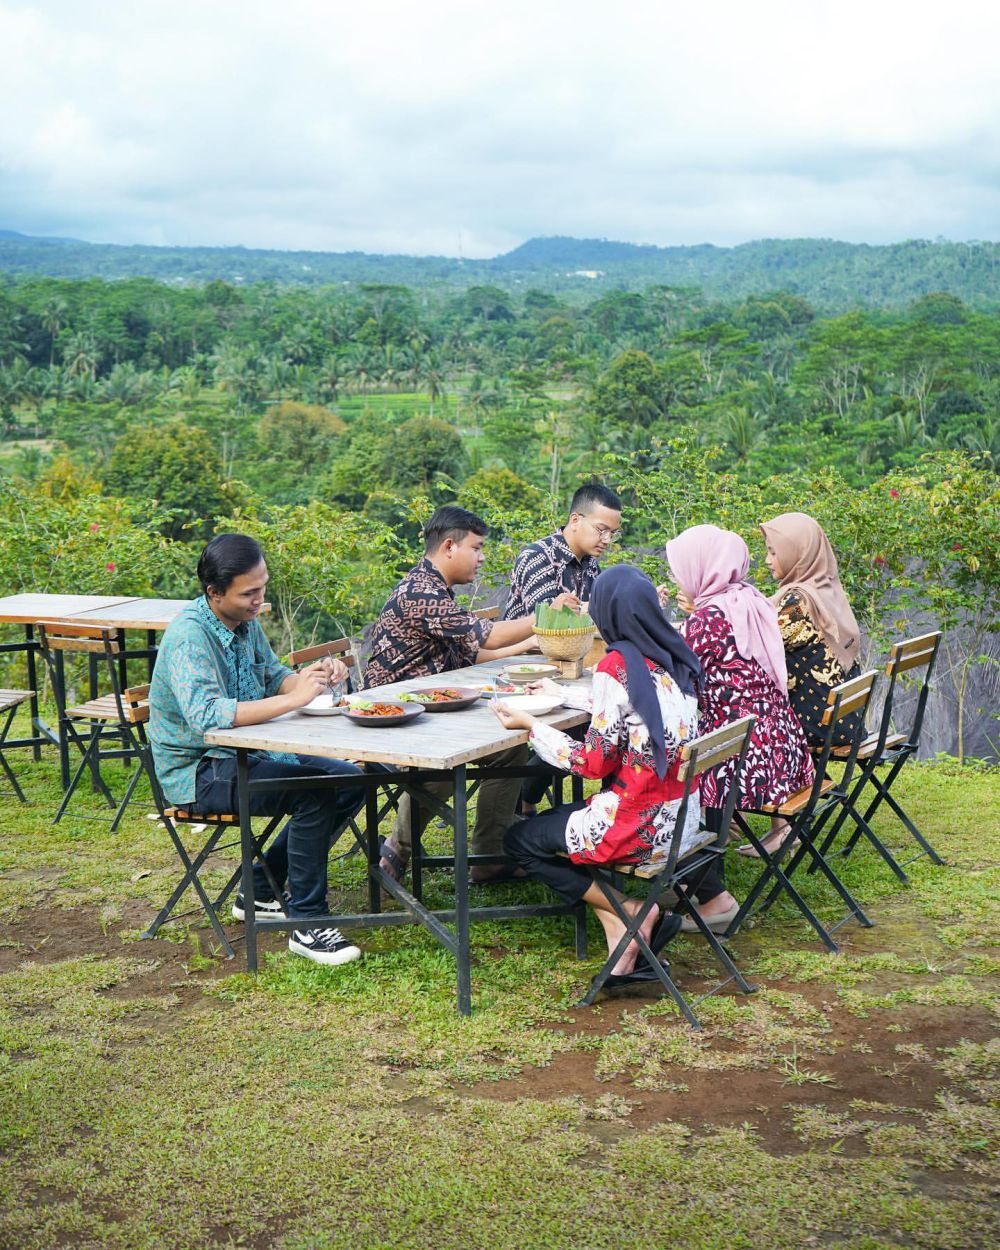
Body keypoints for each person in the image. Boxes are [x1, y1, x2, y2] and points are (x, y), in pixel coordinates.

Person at [149, 533, 367, 967]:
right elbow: (206, 716)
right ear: (214, 592)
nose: (258, 600)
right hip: (199, 771)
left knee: (350, 779)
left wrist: (314, 677)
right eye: (249, 592)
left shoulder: (244, 625)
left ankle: (260, 890)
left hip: (250, 755)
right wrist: (294, 699)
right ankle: (307, 922)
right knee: (314, 791)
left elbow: (274, 677)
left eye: (262, 587)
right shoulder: (191, 636)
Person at [497, 565, 704, 982]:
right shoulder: (672, 659)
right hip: (683, 825)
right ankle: (622, 929)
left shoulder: (615, 666)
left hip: (636, 829)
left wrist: (531, 726)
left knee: (520, 840)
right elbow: (637, 712)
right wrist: (563, 695)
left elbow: (593, 763)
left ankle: (627, 911)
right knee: (560, 822)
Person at [366, 505, 578, 884]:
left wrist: (530, 644)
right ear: (449, 546)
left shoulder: (436, 589)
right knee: (456, 758)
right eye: (477, 548)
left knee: (509, 747)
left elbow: (475, 651)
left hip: (428, 711)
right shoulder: (420, 592)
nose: (481, 558)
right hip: (392, 722)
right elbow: (489, 636)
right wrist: (544, 613)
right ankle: (399, 846)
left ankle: (489, 855)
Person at [665, 525, 814, 894]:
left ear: (702, 568)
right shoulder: (749, 599)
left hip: (746, 761)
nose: (676, 577)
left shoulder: (706, 620)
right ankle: (703, 866)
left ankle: (700, 880)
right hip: (782, 746)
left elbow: (671, 675)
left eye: (680, 568)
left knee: (666, 762)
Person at [760, 512, 863, 747]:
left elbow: (758, 643)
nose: (767, 560)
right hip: (846, 718)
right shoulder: (825, 587)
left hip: (821, 725)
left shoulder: (799, 603)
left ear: (798, 554)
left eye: (774, 552)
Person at [502, 482, 623, 620]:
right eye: (601, 530)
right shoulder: (537, 557)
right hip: (531, 641)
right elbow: (547, 620)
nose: (607, 539)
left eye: (612, 533)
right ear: (575, 520)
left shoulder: (590, 564)